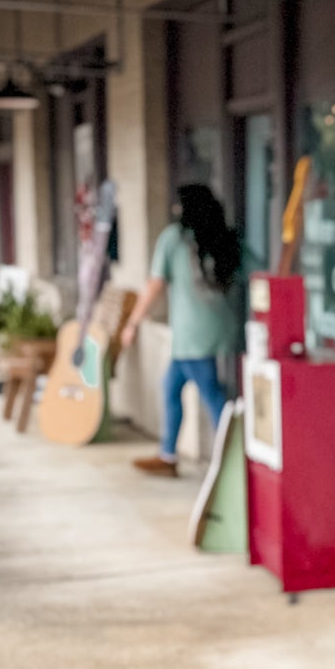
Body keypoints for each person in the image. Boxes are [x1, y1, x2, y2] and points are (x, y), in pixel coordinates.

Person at [123, 183, 243, 476]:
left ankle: (233, 460)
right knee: (171, 387)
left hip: (192, 334)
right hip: (223, 328)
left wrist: (133, 322)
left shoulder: (174, 238)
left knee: (213, 396)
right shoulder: (224, 237)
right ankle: (168, 455)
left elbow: (155, 283)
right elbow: (253, 271)